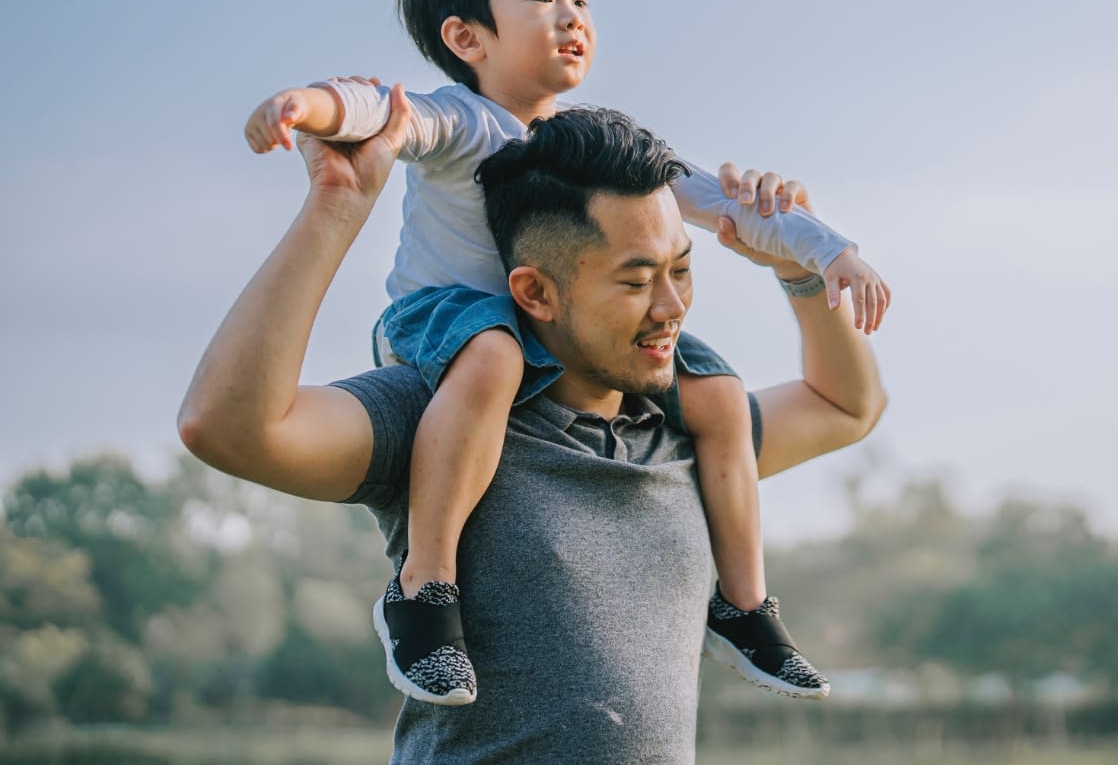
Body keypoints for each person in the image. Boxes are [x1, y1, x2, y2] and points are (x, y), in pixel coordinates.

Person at [240, 0, 890, 704]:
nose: (574, 15)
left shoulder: (599, 152)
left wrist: (827, 253)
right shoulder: (459, 120)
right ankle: (424, 591)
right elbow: (377, 109)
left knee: (716, 390)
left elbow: (721, 201)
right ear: (468, 37)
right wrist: (306, 106)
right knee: (493, 353)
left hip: (547, 340)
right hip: (442, 323)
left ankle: (745, 605)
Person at [179, 96, 887, 761]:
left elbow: (847, 406)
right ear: (536, 292)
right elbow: (226, 426)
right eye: (637, 281)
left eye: (681, 269)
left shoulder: (688, 429)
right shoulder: (444, 418)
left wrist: (799, 268)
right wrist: (333, 211)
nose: (672, 307)